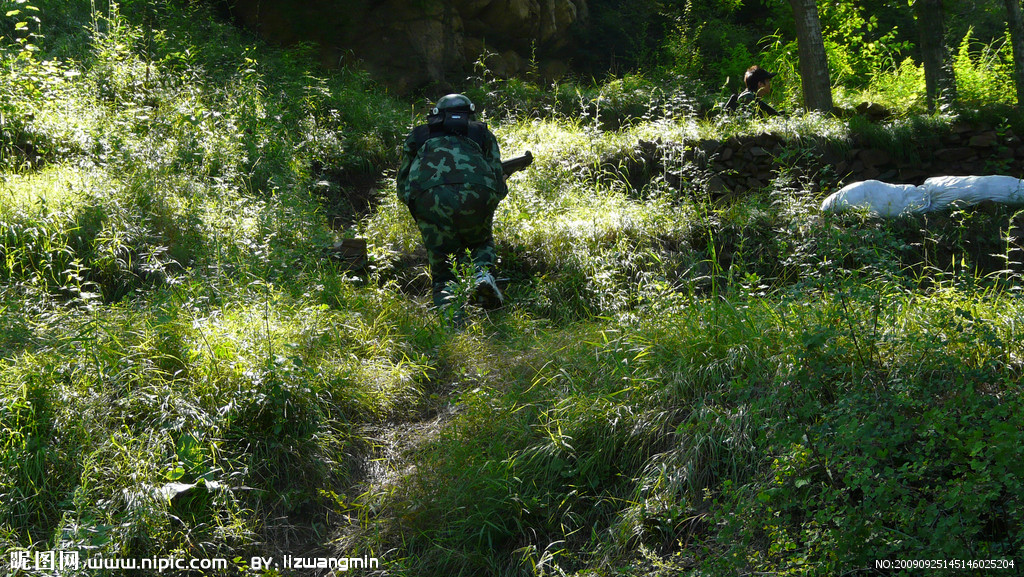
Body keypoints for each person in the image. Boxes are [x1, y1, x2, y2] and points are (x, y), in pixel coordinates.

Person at [396, 93, 507, 311]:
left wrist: (419, 207)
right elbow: (497, 176)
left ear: (437, 114)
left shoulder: (419, 134)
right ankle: (482, 276)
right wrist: (491, 196)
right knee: (480, 241)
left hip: (429, 196)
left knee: (443, 261)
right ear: (470, 114)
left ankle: (451, 319)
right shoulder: (482, 133)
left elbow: (403, 183)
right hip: (478, 192)